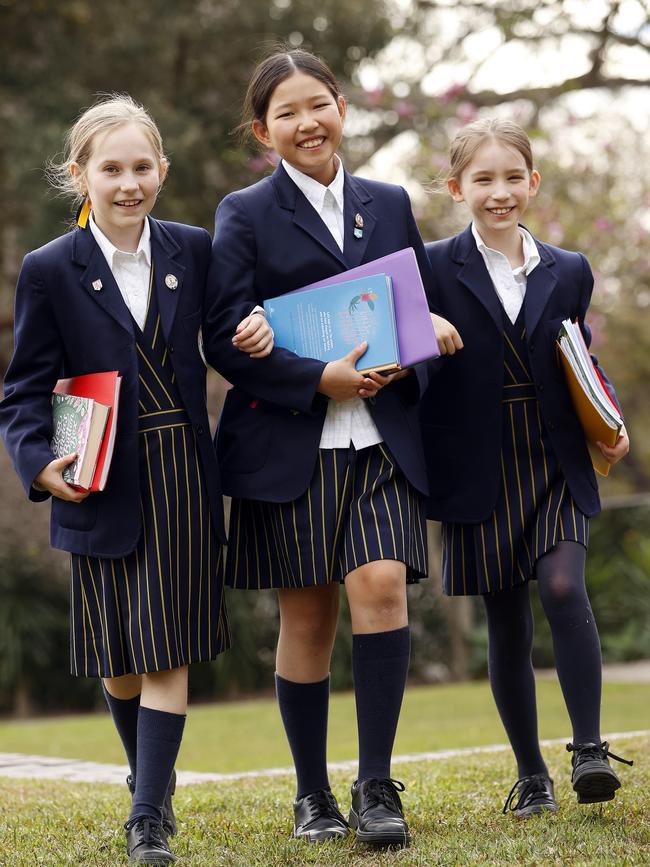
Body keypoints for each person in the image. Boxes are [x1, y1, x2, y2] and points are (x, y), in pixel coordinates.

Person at [0, 95, 273, 864]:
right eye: (110, 167)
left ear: (162, 170)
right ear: (79, 173)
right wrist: (39, 463)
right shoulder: (51, 269)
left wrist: (256, 329)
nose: (128, 182)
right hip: (97, 479)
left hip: (184, 473)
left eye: (142, 166)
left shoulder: (193, 248)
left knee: (164, 652)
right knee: (120, 661)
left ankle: (148, 816)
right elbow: (24, 389)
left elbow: (227, 337)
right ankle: (144, 778)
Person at [202, 48, 461, 847]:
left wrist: (434, 328)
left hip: (384, 439)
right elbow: (223, 333)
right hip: (292, 443)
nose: (307, 122)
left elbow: (411, 301)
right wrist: (317, 378)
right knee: (308, 616)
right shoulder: (242, 214)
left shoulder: (388, 202)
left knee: (381, 582)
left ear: (342, 107)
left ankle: (377, 785)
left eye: (319, 104)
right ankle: (313, 795)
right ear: (263, 129)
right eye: (287, 112)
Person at [419, 117, 632, 819]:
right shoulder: (431, 266)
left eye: (513, 177)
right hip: (476, 464)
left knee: (565, 588)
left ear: (533, 183)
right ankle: (531, 772)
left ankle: (590, 748)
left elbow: (579, 356)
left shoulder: (569, 269)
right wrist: (423, 328)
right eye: (483, 179)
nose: (500, 192)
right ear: (458, 188)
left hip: (554, 454)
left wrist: (608, 424)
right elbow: (398, 339)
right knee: (506, 621)